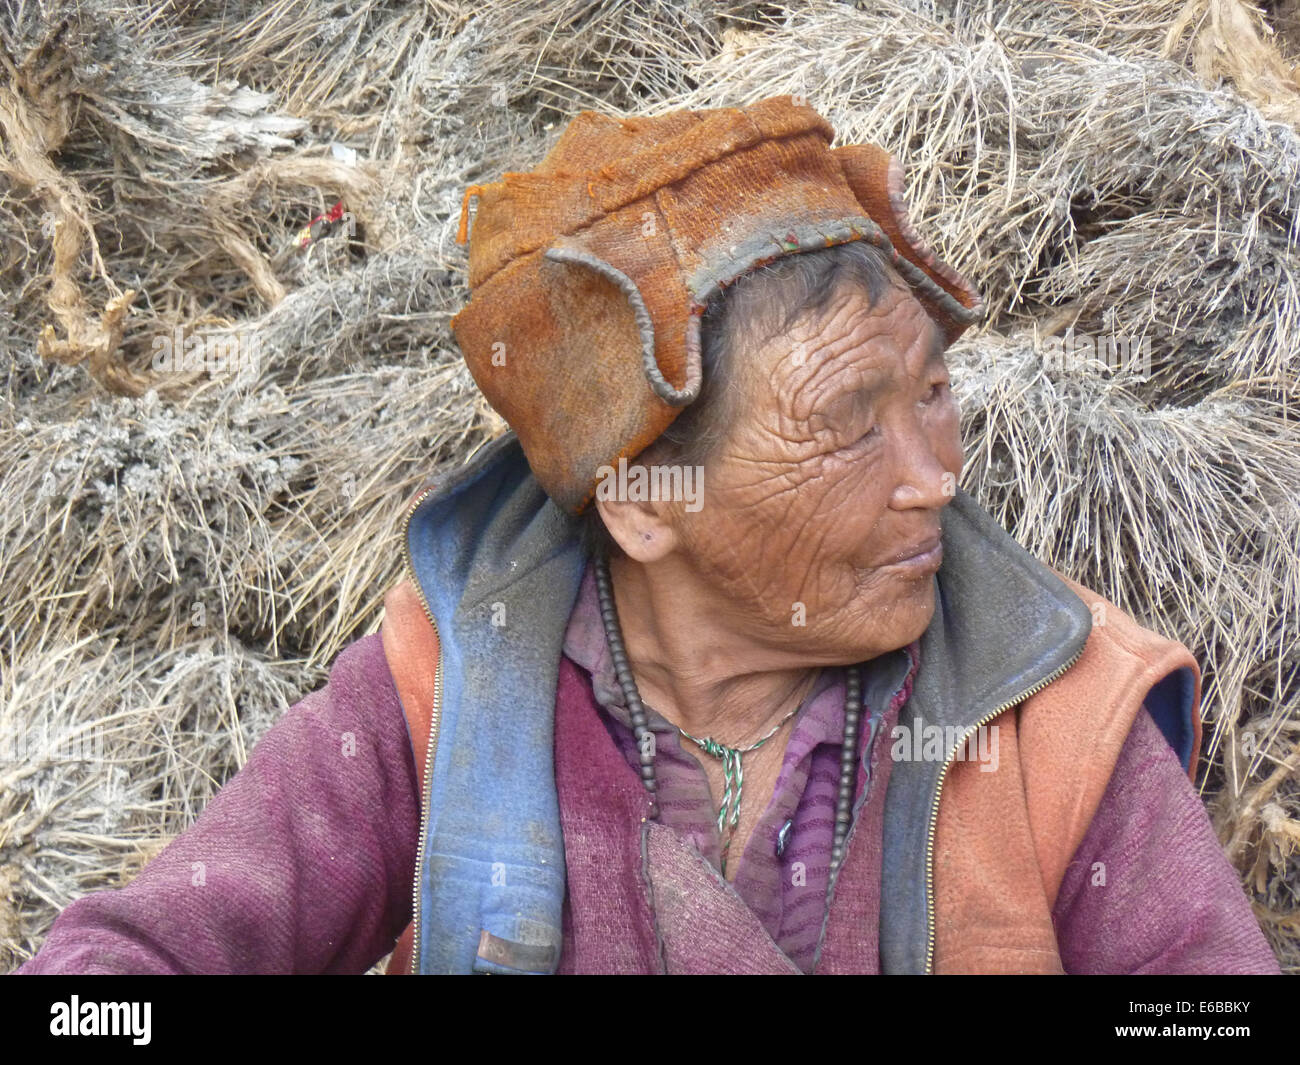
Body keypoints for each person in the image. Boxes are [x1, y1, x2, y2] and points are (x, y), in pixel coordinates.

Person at [17, 96, 1279, 975]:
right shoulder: (454, 680)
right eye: (847, 427)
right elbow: (147, 956)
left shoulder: (1051, 716)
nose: (932, 482)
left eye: (931, 395)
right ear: (641, 499)